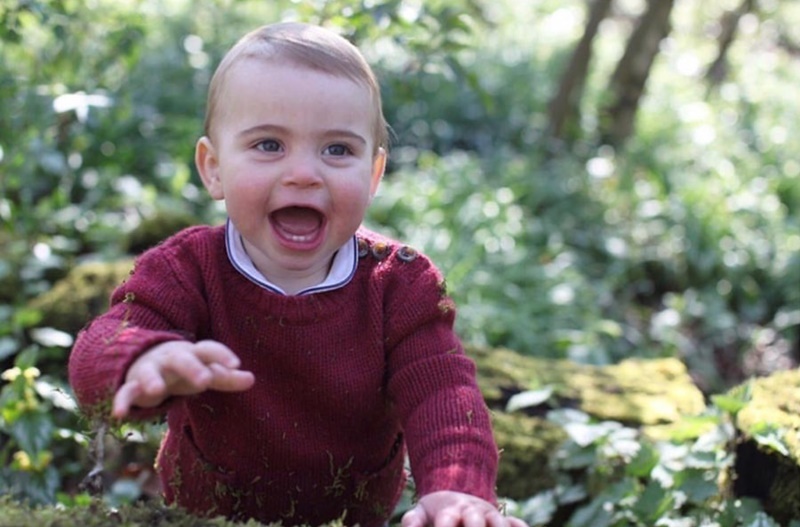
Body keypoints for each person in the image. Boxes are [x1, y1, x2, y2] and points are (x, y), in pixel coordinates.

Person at [69, 21, 527, 527]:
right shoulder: (187, 269)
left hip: (353, 516)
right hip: (206, 515)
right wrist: (144, 357)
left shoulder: (399, 285)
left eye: (337, 149)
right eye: (269, 145)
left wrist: (457, 491)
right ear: (214, 167)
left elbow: (442, 392)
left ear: (373, 174)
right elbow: (101, 342)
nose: (304, 173)